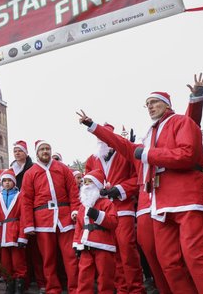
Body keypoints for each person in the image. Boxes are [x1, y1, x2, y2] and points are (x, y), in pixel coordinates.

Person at [77, 73, 203, 294]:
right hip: (159, 205)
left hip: (185, 199)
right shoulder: (149, 135)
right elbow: (123, 144)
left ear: (167, 104)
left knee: (196, 258)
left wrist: (196, 99)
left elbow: (187, 153)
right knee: (168, 263)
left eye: (154, 102)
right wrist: (93, 125)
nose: (150, 107)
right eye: (147, 105)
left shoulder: (179, 122)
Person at [84, 124, 145, 294]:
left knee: (127, 249)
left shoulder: (125, 155)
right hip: (103, 212)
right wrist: (96, 190)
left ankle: (136, 289)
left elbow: (137, 178)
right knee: (111, 251)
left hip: (122, 208)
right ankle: (122, 289)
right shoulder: (91, 160)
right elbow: (86, 183)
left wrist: (119, 189)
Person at [21, 140, 81, 294]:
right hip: (43, 220)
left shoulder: (63, 168)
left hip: (65, 217)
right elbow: (26, 200)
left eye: (48, 148)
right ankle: (53, 289)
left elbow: (73, 192)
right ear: (37, 153)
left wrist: (75, 211)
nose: (45, 151)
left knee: (70, 256)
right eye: (42, 149)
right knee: (48, 258)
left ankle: (75, 288)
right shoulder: (30, 173)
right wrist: (29, 224)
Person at [73, 170, 118, 294]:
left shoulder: (106, 203)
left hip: (104, 245)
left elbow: (113, 222)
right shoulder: (82, 207)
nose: (86, 185)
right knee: (84, 277)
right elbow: (79, 227)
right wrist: (77, 245)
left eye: (89, 182)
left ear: (97, 185)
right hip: (86, 246)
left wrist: (97, 215)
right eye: (84, 182)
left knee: (105, 277)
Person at [10, 140, 45, 292]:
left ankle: (40, 281)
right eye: (15, 151)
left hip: (31, 210)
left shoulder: (32, 168)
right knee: (21, 250)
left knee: (35, 250)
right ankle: (25, 280)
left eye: (20, 151)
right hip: (15, 213)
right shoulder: (11, 170)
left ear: (26, 153)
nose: (17, 153)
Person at [0, 169, 27, 294]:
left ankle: (19, 287)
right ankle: (9, 285)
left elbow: (24, 217)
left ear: (14, 182)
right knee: (5, 263)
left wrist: (23, 236)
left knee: (18, 262)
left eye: (9, 180)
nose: (6, 183)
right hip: (2, 235)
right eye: (4, 180)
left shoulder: (20, 196)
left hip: (16, 233)